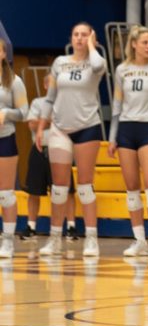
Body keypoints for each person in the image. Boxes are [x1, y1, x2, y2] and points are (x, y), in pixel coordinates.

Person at [36, 22, 106, 258]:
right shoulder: (60, 63)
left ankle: (91, 239)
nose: (79, 38)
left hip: (87, 126)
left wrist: (92, 46)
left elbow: (98, 64)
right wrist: (41, 127)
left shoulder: (96, 63)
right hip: (59, 128)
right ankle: (55, 238)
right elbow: (50, 96)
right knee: (58, 187)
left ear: (91, 38)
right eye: (76, 34)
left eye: (84, 35)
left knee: (85, 186)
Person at [108, 25, 148, 259]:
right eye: (145, 42)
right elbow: (117, 105)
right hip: (126, 129)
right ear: (134, 44)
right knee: (132, 187)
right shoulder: (122, 70)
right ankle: (139, 241)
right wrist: (113, 137)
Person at [23, 75, 77, 240]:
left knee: (67, 191)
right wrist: (52, 120)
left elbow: (71, 124)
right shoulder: (38, 103)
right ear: (46, 85)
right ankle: (31, 226)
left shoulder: (68, 103)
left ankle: (71, 226)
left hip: (61, 149)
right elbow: (31, 124)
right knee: (33, 190)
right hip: (40, 150)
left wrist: (44, 121)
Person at [0, 38, 27, 259]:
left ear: (3, 54)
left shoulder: (14, 82)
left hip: (5, 139)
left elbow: (24, 113)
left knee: (5, 194)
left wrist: (6, 114)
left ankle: (7, 240)